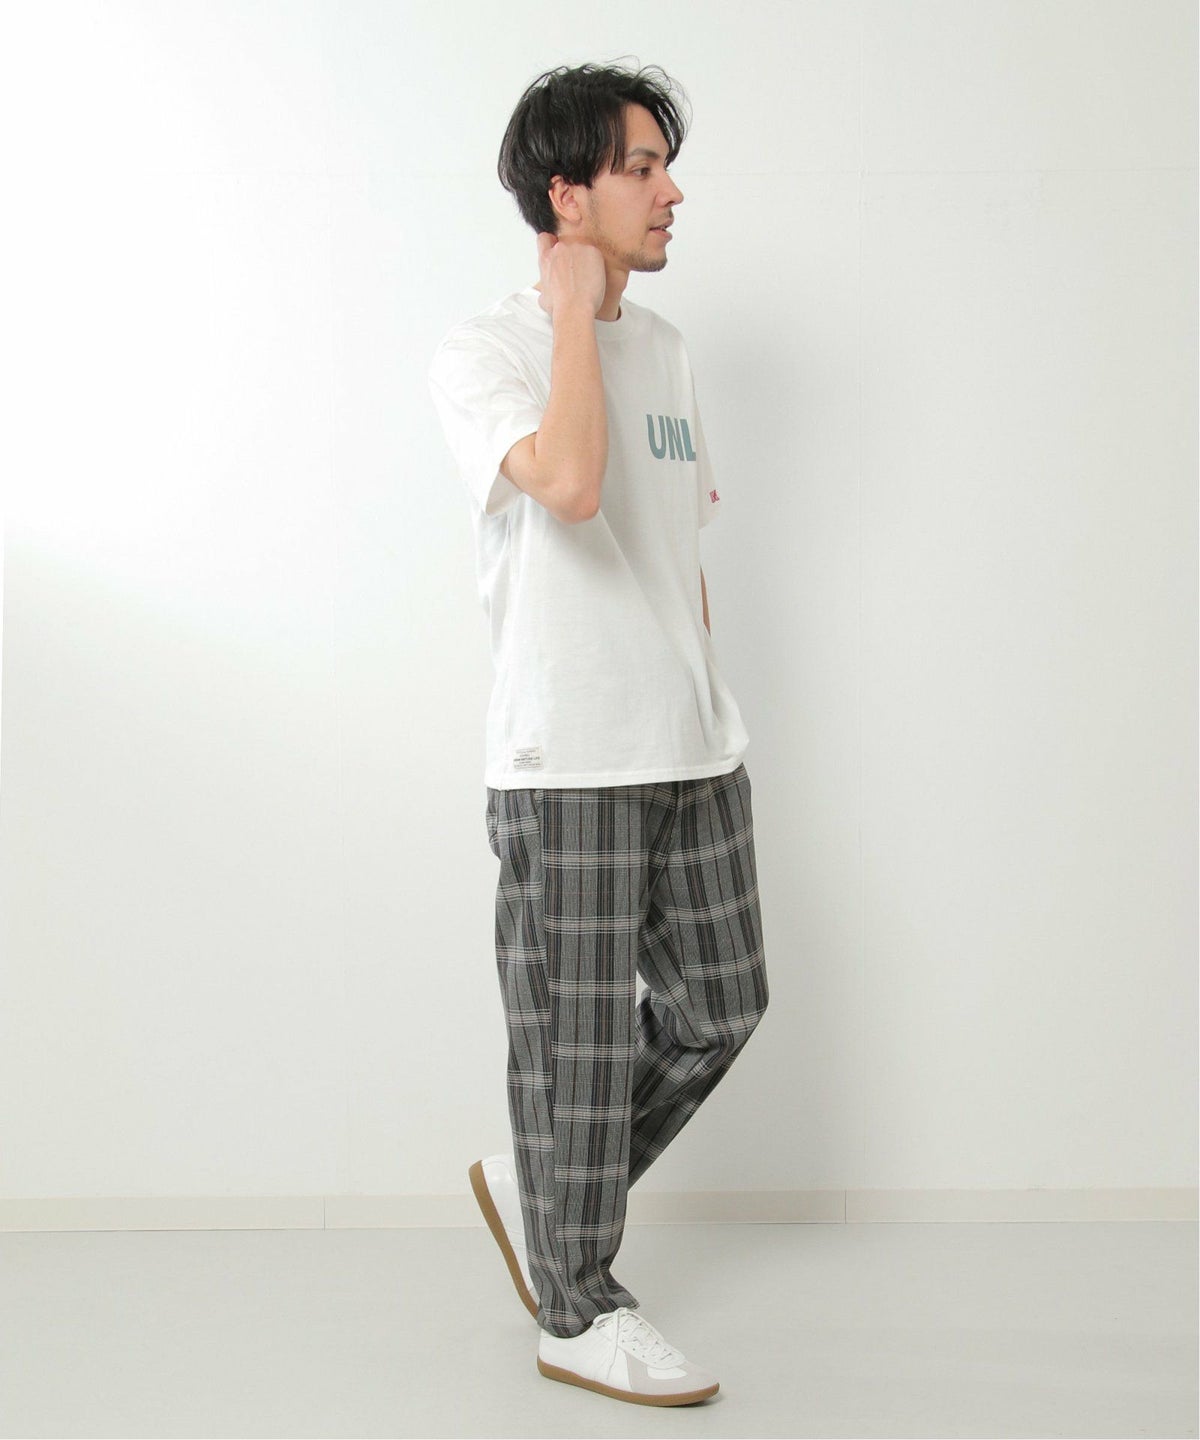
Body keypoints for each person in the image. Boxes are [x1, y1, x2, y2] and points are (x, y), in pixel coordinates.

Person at [427, 61, 769, 1408]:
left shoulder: (668, 347)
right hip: (570, 756)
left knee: (724, 1005)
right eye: (640, 167)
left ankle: (542, 1183)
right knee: (575, 1049)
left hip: (692, 741)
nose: (671, 191)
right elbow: (570, 485)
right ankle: (576, 1310)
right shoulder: (487, 352)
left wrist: (708, 696)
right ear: (565, 196)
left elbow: (678, 546)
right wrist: (574, 313)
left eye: (664, 165)